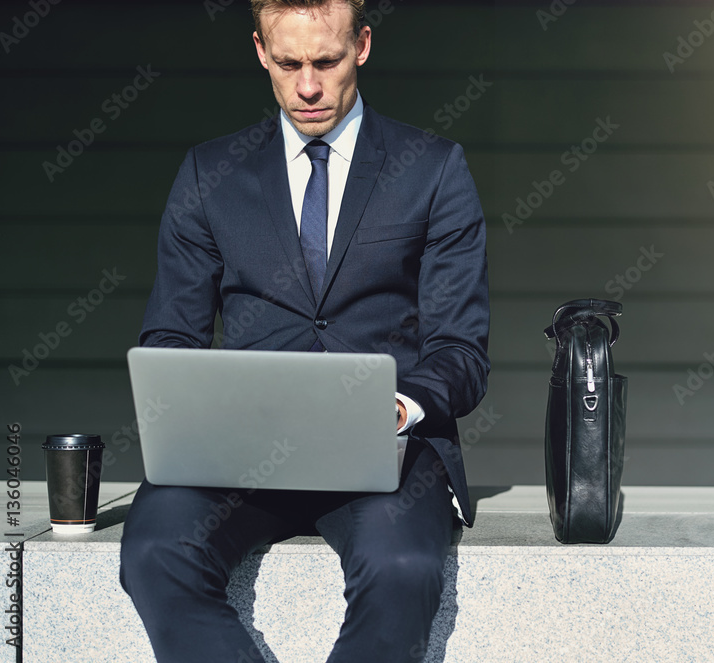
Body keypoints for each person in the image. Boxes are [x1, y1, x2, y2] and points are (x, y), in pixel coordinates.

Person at [118, 0, 490, 660]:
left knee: (403, 570)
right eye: (288, 63)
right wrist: (189, 404)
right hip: (236, 452)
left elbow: (460, 352)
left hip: (386, 456)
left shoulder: (433, 170)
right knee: (151, 551)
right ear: (261, 51)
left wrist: (400, 405)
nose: (309, 85)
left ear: (364, 45)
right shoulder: (210, 175)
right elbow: (170, 338)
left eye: (327, 60)